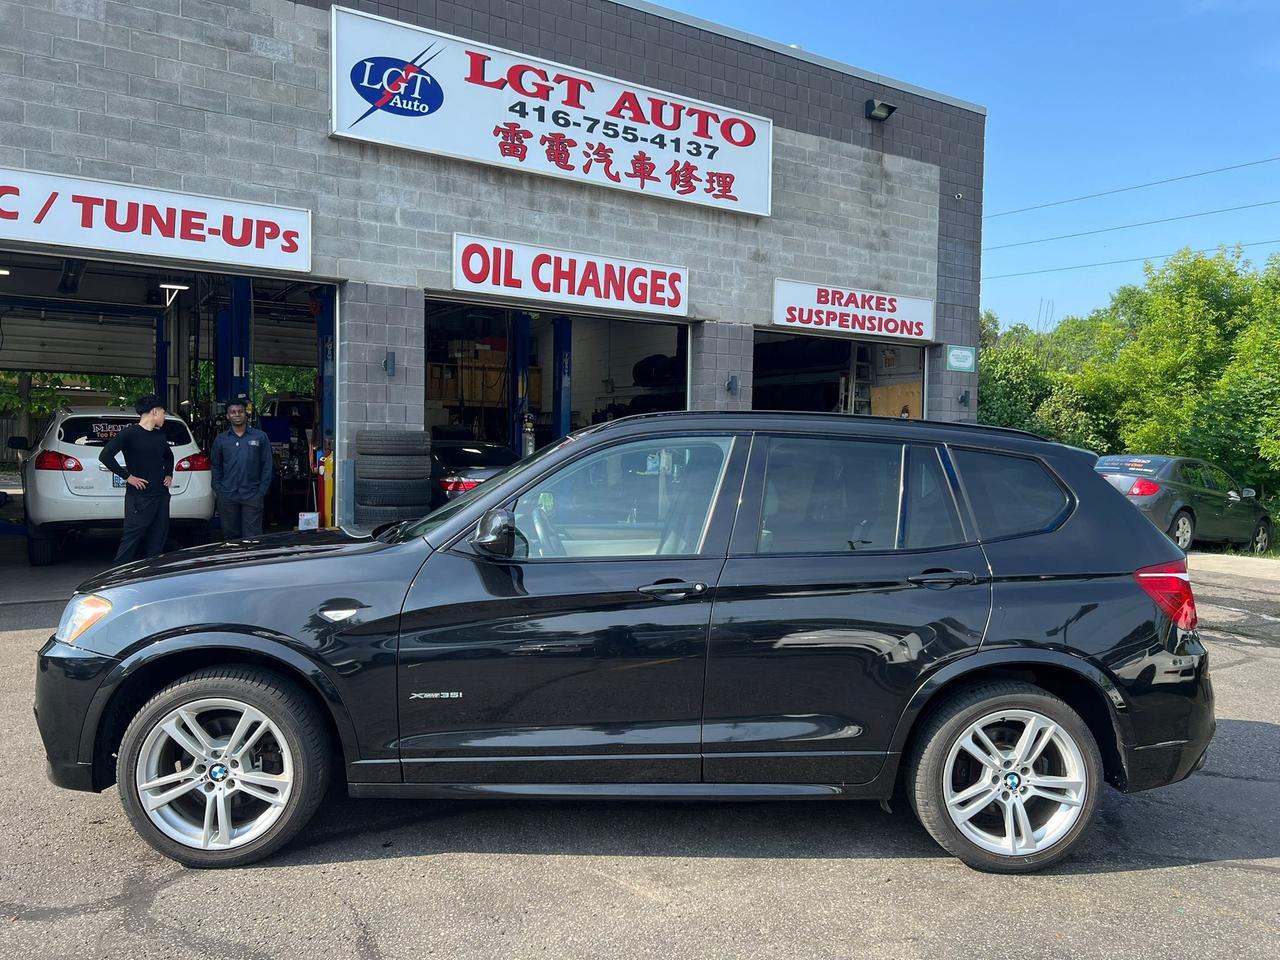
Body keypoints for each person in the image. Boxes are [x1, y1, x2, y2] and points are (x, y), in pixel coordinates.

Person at [99, 394, 174, 564]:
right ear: (154, 412)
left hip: (161, 495)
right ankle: (116, 577)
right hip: (139, 497)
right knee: (131, 539)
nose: (164, 416)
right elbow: (105, 456)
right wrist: (127, 477)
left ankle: (151, 576)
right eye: (163, 412)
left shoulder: (160, 436)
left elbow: (169, 457)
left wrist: (169, 474)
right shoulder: (129, 434)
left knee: (158, 538)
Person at [211, 398, 273, 539]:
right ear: (227, 416)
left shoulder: (260, 437)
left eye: (240, 411)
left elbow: (267, 465)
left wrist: (262, 490)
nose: (237, 415)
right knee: (231, 537)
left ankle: (253, 560)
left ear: (246, 414)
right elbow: (215, 466)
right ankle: (233, 561)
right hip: (227, 495)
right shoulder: (221, 440)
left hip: (252, 494)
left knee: (253, 537)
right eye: (232, 412)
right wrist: (219, 489)